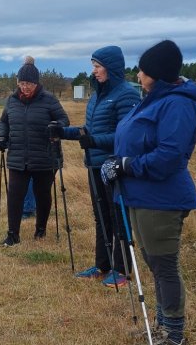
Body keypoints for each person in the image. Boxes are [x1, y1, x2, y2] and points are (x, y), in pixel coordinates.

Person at [100, 40, 196, 345]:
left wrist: (127, 165)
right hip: (139, 195)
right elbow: (133, 139)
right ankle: (163, 325)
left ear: (157, 74)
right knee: (154, 263)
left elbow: (170, 156)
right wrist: (116, 161)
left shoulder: (177, 104)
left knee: (164, 266)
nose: (137, 75)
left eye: (143, 70)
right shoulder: (151, 99)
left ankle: (173, 334)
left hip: (161, 199)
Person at [49, 45, 140, 289]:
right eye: (93, 65)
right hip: (93, 165)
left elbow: (126, 135)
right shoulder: (98, 95)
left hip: (113, 166)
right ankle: (102, 265)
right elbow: (90, 130)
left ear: (111, 67)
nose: (94, 70)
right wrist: (63, 132)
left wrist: (95, 142)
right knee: (100, 217)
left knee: (117, 217)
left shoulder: (127, 95)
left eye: (98, 66)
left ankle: (122, 270)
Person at [0, 56, 69, 246]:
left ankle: (41, 229)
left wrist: (56, 126)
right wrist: (2, 136)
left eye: (28, 83)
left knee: (42, 194)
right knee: (14, 195)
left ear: (36, 83)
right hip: (18, 156)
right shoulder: (12, 101)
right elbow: (4, 121)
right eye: (21, 83)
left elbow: (64, 120)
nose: (25, 87)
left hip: (44, 156)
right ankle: (13, 234)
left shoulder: (49, 99)